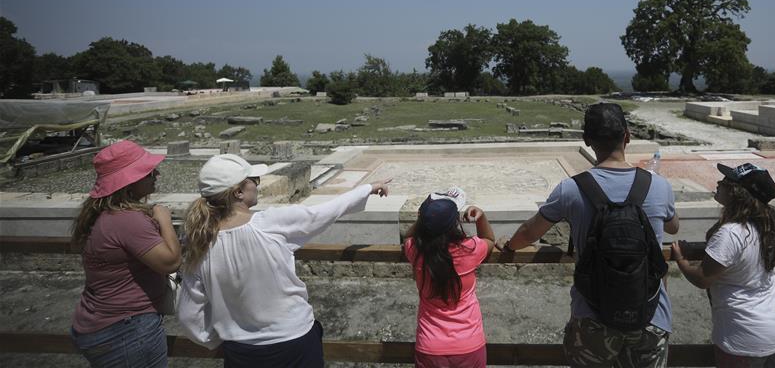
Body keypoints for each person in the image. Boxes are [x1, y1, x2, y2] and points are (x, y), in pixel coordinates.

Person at [496, 102, 679, 368]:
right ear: (627, 136)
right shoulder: (659, 186)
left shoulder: (570, 189)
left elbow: (529, 232)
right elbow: (673, 227)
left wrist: (510, 244)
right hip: (651, 315)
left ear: (587, 140)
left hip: (593, 316)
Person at [177, 153, 390, 368]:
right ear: (238, 191)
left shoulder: (198, 241)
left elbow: (188, 315)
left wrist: (217, 339)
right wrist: (367, 188)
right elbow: (323, 213)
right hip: (294, 341)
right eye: (255, 181)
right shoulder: (269, 223)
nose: (257, 186)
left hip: (242, 350)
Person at [671, 163, 775, 368]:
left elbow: (702, 279)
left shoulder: (731, 233)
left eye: (725, 182)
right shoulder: (770, 227)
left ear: (736, 193)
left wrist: (680, 259)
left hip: (743, 337)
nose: (719, 183)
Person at [70, 140, 181, 368]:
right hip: (128, 329)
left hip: (104, 323)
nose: (156, 174)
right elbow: (170, 262)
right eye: (148, 171)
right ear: (129, 181)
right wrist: (164, 219)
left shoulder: (103, 213)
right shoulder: (127, 219)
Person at [404, 187, 495, 368]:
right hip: (469, 343)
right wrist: (481, 217)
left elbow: (408, 236)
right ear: (454, 223)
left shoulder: (415, 250)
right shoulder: (470, 249)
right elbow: (489, 239)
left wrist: (424, 218)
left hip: (429, 344)